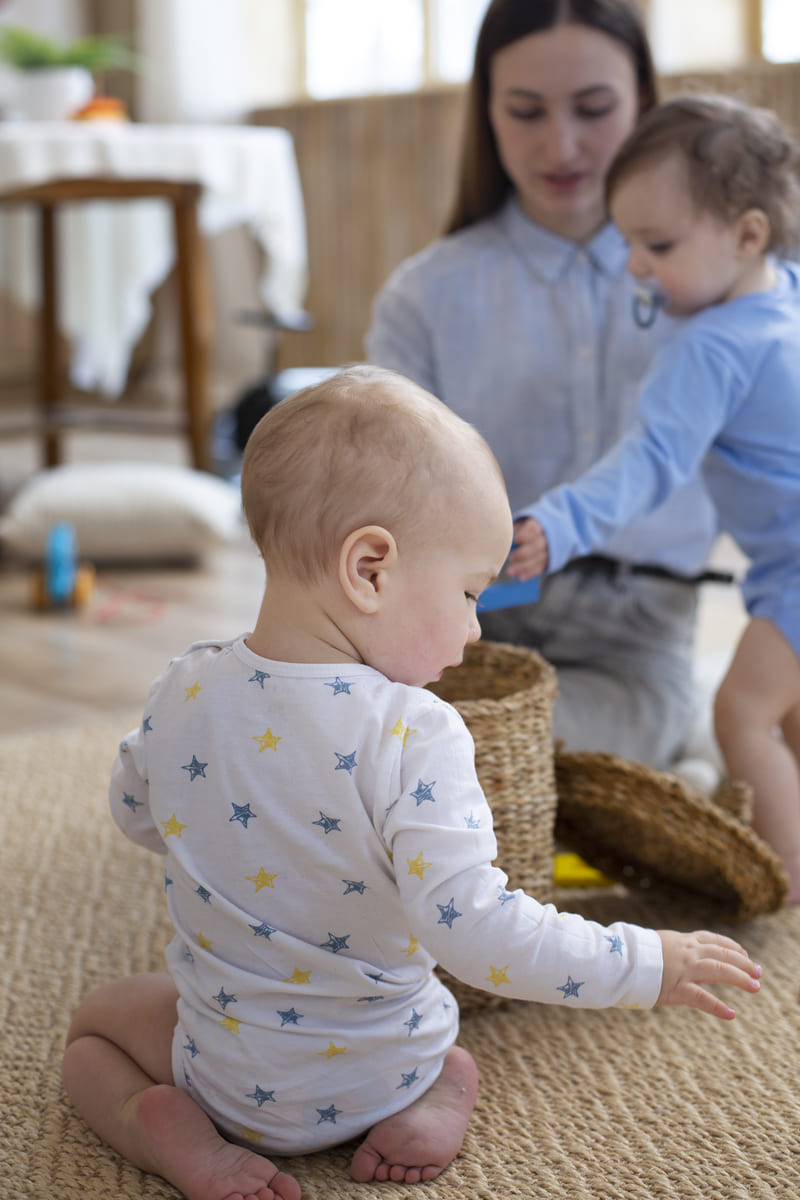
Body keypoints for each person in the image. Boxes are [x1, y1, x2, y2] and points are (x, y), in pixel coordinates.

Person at [61, 365, 763, 1200]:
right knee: (446, 1039)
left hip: (224, 1080)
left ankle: (159, 1127)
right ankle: (433, 1092)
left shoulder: (183, 686)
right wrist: (644, 961)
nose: (473, 629)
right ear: (370, 569)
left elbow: (135, 814)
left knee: (94, 1030)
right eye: (468, 592)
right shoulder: (416, 731)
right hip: (384, 1064)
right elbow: (479, 933)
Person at [366, 0, 721, 770]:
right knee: (337, 730)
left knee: (478, 757)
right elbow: (373, 504)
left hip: (634, 639)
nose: (561, 145)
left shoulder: (723, 290)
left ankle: (678, 755)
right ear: (487, 111)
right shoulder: (425, 296)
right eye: (525, 112)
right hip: (453, 631)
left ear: (646, 105)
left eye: (595, 110)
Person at [518, 93, 800, 902]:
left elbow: (649, 459)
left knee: (741, 715)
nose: (636, 264)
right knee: (788, 708)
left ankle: (785, 883)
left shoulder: (712, 348)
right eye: (628, 242)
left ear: (747, 234)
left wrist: (562, 521)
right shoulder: (786, 300)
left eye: (659, 243)